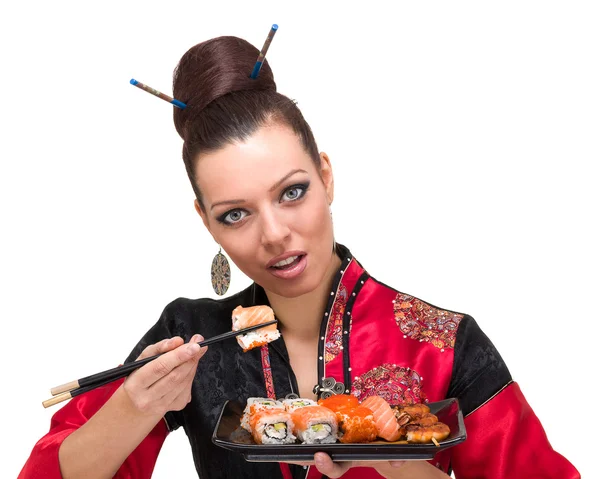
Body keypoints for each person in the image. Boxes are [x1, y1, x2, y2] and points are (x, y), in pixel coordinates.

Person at [19, 35, 580, 479]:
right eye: (234, 214)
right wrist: (133, 409)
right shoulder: (191, 336)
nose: (275, 234)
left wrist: (391, 461)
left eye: (291, 192)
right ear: (205, 221)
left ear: (326, 176)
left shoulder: (444, 342)